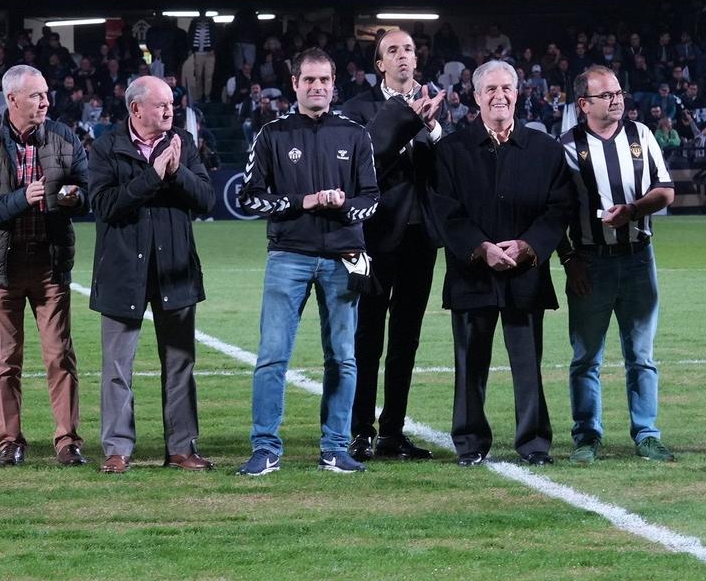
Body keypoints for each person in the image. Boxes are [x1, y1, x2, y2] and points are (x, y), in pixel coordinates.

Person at [237, 48, 380, 476]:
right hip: (289, 256)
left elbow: (371, 200)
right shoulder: (271, 135)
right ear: (295, 83)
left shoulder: (355, 134)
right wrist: (304, 201)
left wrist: (342, 207)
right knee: (272, 355)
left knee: (343, 357)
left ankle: (335, 447)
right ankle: (266, 448)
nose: (317, 87)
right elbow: (249, 198)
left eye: (324, 80)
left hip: (343, 257)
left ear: (335, 84)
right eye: (309, 81)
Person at [426, 60, 575, 467]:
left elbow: (559, 209)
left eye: (506, 88)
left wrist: (528, 245)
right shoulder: (453, 150)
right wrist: (480, 247)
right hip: (472, 275)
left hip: (525, 275)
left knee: (528, 367)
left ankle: (534, 444)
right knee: (470, 365)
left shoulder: (545, 149)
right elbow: (445, 210)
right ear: (475, 97)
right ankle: (470, 443)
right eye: (490, 89)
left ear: (518, 92)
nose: (499, 95)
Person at [0, 65, 89, 468]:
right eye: (37, 96)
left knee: (60, 356)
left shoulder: (65, 137)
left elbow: (88, 189)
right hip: (1, 268)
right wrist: (22, 198)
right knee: (5, 363)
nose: (46, 102)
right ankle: (10, 442)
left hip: (50, 263)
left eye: (46, 94)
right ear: (12, 100)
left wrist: (75, 196)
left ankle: (68, 441)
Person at [87, 75, 214, 473]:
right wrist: (152, 176)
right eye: (160, 104)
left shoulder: (183, 144)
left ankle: (181, 448)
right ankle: (117, 450)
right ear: (135, 108)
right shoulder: (106, 147)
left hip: (174, 270)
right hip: (123, 272)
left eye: (171, 104)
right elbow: (105, 205)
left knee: (180, 363)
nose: (168, 110)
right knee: (117, 367)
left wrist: (176, 173)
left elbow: (207, 199)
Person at [559, 65, 678, 465]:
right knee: (586, 356)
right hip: (591, 262)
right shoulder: (567, 146)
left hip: (638, 258)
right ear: (583, 104)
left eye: (618, 92)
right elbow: (554, 212)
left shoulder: (641, 135)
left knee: (641, 354)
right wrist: (570, 258)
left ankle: (646, 433)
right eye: (606, 94)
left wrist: (632, 210)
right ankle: (586, 435)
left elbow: (665, 191)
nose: (616, 99)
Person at [338, 28, 445, 462]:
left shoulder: (434, 104)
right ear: (379, 64)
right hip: (375, 237)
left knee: (407, 339)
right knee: (367, 337)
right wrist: (408, 121)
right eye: (393, 51)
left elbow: (441, 172)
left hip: (421, 238)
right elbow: (362, 166)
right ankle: (360, 430)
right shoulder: (357, 108)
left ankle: (393, 432)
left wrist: (435, 130)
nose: (404, 56)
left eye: (410, 50)